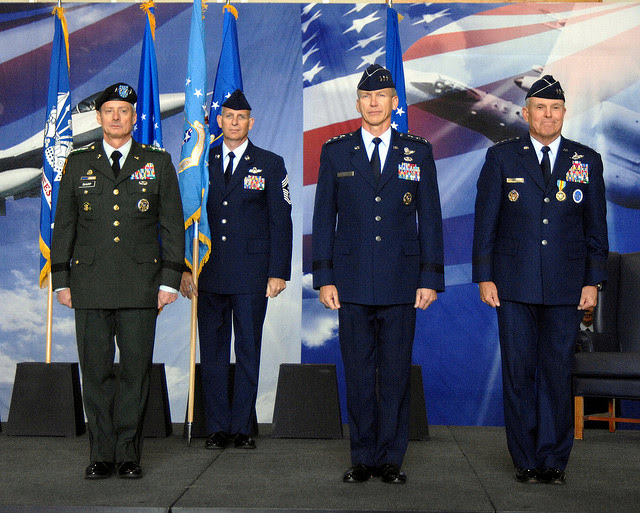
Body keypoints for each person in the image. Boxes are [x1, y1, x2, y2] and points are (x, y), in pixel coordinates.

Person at [472, 75, 608, 485]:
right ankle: (525, 458)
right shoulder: (501, 157)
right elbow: (485, 224)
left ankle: (553, 459)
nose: (548, 115)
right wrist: (484, 276)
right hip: (513, 284)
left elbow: (596, 229)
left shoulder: (586, 160)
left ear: (564, 113)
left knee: (556, 372)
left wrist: (593, 281)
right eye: (540, 108)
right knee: (518, 373)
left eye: (555, 108)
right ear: (526, 112)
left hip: (568, 286)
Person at [312, 64, 444, 484]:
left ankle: (391, 458)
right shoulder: (336, 151)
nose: (373, 103)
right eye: (367, 97)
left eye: (381, 96)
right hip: (350, 282)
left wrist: (430, 277)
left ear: (394, 102)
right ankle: (362, 456)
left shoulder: (417, 151)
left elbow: (431, 218)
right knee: (357, 373)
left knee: (394, 373)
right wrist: (324, 277)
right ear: (358, 104)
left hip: (402, 281)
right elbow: (324, 218)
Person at [51, 83, 185, 479]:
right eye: (109, 110)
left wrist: (170, 280)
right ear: (98, 117)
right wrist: (61, 279)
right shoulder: (78, 162)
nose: (115, 117)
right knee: (95, 374)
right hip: (89, 283)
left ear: (134, 117)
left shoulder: (157, 162)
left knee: (134, 374)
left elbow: (172, 224)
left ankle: (128, 454)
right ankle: (100, 454)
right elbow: (65, 224)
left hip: (142, 284)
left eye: (123, 111)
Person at [180, 89, 292, 450]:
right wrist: (184, 268)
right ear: (219, 120)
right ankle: (216, 427)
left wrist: (278, 272)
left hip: (251, 274)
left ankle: (242, 426)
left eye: (241, 117)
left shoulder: (270, 163)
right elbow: (186, 217)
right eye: (228, 116)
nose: (234, 122)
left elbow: (281, 220)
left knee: (248, 350)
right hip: (209, 272)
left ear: (251, 122)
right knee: (213, 353)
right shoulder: (201, 161)